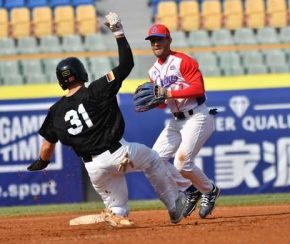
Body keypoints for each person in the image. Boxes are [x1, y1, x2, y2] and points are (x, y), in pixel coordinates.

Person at [27, 13, 186, 227]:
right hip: (118, 153)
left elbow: (47, 145)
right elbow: (127, 64)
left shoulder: (55, 112)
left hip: (94, 168)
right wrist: (118, 32)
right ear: (81, 72)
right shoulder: (97, 90)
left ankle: (115, 214)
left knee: (118, 207)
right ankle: (175, 203)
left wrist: (42, 162)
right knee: (153, 159)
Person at [144, 24, 220, 219]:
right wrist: (156, 102)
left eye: (160, 39)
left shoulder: (183, 61)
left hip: (197, 116)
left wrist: (168, 92)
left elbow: (198, 89)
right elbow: (163, 104)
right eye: (152, 40)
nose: (156, 43)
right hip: (177, 120)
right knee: (155, 160)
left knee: (181, 163)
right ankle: (190, 189)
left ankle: (209, 190)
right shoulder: (153, 72)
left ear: (169, 40)